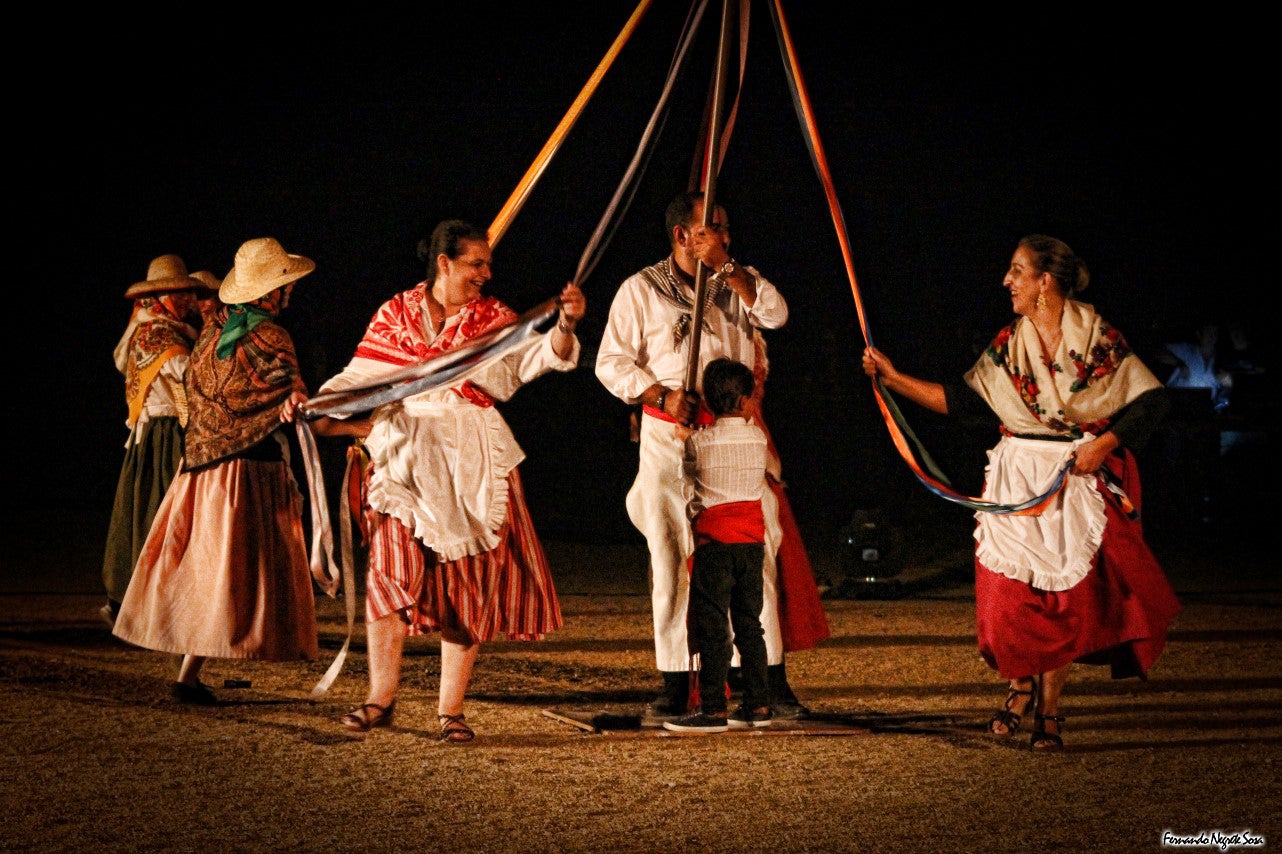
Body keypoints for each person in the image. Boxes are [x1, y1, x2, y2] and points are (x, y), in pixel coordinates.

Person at [861, 234, 1180, 750]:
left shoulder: (1097, 341)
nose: (1006, 281)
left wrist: (1105, 444)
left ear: (1044, 282)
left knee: (1063, 600)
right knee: (1006, 604)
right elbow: (966, 404)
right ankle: (1018, 683)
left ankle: (1048, 710)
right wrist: (895, 380)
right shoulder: (1010, 344)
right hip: (1016, 475)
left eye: (1017, 271)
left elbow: (1150, 402)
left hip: (1071, 474)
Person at [311, 219, 584, 743]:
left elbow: (535, 359)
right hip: (405, 455)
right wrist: (321, 404)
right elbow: (360, 374)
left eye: (487, 263)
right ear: (444, 263)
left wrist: (566, 325)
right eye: (475, 263)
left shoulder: (494, 318)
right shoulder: (396, 313)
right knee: (388, 574)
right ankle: (378, 699)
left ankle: (450, 710)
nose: (487, 273)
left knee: (465, 584)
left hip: (470, 459)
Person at [595, 190, 813, 722]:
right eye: (715, 228)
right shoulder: (640, 290)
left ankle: (765, 679)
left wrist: (731, 270)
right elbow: (610, 363)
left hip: (736, 436)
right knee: (672, 555)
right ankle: (676, 679)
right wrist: (661, 395)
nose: (726, 236)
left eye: (726, 227)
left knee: (753, 553)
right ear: (683, 237)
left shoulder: (739, 281)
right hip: (671, 436)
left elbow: (778, 314)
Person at [113, 237, 323, 704]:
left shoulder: (211, 331)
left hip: (202, 470)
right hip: (248, 472)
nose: (289, 294)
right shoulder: (271, 336)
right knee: (237, 570)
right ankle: (231, 652)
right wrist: (298, 402)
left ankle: (189, 674)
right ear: (271, 293)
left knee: (208, 570)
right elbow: (286, 393)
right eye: (284, 286)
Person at [664, 359, 773, 734]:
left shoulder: (699, 442)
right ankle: (758, 703)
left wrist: (683, 440)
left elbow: (686, 482)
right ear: (745, 401)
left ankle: (712, 709)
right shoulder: (757, 437)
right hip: (750, 544)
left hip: (715, 545)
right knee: (750, 625)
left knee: (713, 627)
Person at [101, 255, 202, 627]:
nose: (187, 300)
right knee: (162, 513)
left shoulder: (154, 327)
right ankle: (150, 602)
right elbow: (188, 375)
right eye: (179, 294)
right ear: (161, 295)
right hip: (165, 432)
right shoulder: (159, 333)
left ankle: (132, 600)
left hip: (158, 432)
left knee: (145, 509)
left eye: (186, 293)